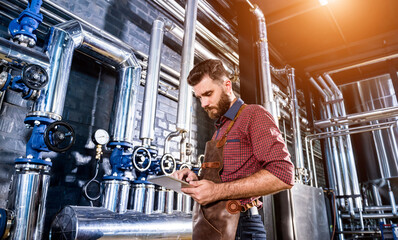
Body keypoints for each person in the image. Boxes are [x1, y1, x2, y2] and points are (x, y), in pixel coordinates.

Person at [172, 59, 294, 240]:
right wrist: (196, 178)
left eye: (208, 94)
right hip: (214, 225)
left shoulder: (253, 115)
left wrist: (215, 192)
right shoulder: (221, 128)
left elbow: (283, 174)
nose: (204, 103)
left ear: (227, 86)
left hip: (241, 226)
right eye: (199, 97)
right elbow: (226, 177)